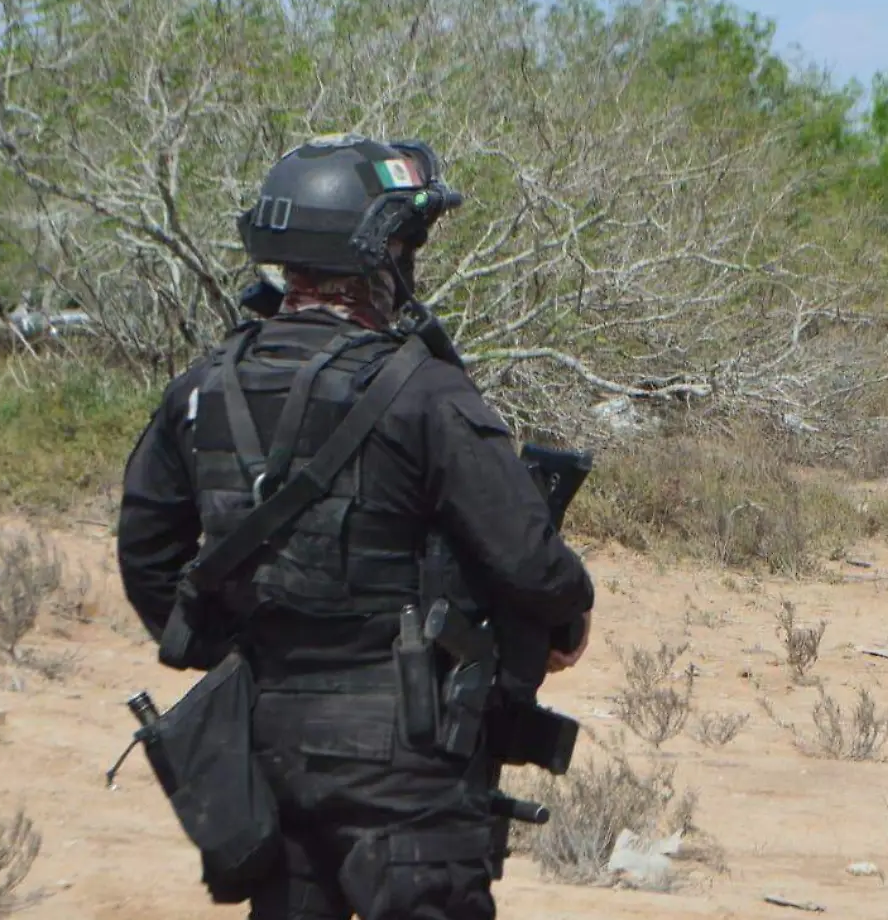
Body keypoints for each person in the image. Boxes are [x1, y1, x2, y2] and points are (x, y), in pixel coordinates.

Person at [114, 133, 596, 920]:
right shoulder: (425, 392)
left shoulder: (198, 390)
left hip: (264, 741)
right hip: (403, 758)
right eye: (405, 244)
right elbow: (532, 565)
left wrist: (244, 655)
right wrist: (567, 614)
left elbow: (147, 561)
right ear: (374, 254)